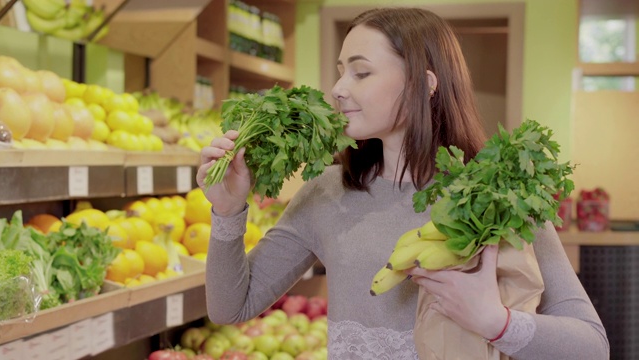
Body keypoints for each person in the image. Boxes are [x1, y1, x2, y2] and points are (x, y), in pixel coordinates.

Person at [196, 7, 609, 359]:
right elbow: (231, 307)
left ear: (423, 84)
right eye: (341, 72)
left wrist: (496, 323)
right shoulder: (327, 192)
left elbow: (592, 345)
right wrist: (228, 211)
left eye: (361, 72)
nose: (338, 89)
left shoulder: (499, 195)